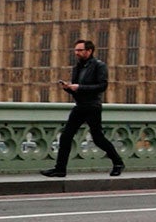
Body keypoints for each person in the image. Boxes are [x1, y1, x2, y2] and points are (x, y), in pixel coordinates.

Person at [41, 38, 125, 178]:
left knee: (98, 138)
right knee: (66, 136)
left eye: (80, 50)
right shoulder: (77, 67)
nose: (77, 53)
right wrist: (68, 88)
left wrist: (80, 87)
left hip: (92, 106)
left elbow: (102, 86)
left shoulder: (99, 66)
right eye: (75, 50)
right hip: (80, 106)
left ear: (89, 51)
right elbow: (77, 89)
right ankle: (60, 169)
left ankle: (118, 163)